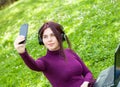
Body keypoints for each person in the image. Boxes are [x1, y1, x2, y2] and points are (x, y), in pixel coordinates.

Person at [14, 21, 95, 87]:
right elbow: (34, 65)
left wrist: (86, 83)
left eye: (52, 35)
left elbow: (87, 73)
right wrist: (23, 53)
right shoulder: (44, 62)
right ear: (41, 41)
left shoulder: (70, 52)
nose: (49, 40)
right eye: (45, 37)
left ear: (61, 36)